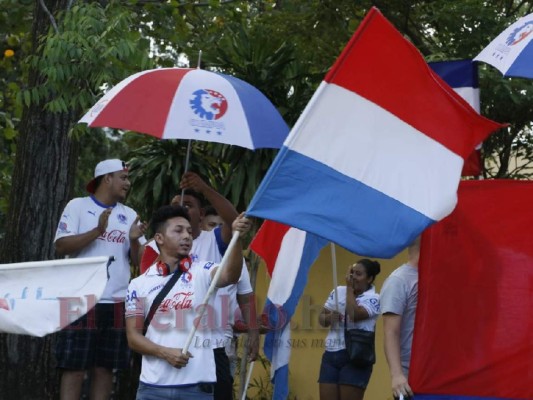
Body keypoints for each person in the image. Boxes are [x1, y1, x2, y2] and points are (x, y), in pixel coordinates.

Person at [139, 171, 259, 400]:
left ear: (201, 213)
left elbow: (234, 222)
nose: (182, 208)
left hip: (212, 346)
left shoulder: (216, 240)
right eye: (176, 205)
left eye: (188, 204)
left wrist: (204, 188)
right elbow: (147, 288)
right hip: (167, 345)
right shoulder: (155, 247)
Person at [54, 158, 146, 400]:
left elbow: (141, 263)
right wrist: (97, 231)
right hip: (79, 300)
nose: (128, 183)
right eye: (123, 177)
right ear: (107, 178)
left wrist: (135, 239)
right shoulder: (78, 206)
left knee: (104, 369)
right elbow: (61, 246)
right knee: (73, 369)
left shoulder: (130, 214)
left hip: (116, 302)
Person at [318, 259, 381, 400]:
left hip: (356, 356)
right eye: (352, 273)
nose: (352, 277)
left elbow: (354, 314)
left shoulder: (375, 298)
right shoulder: (337, 291)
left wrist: (349, 289)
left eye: (358, 274)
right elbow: (321, 319)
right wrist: (329, 318)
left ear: (369, 278)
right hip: (331, 354)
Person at [381, 237, 420, 400]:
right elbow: (391, 332)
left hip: (438, 373)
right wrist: (397, 375)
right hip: (410, 379)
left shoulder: (439, 277)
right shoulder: (399, 280)